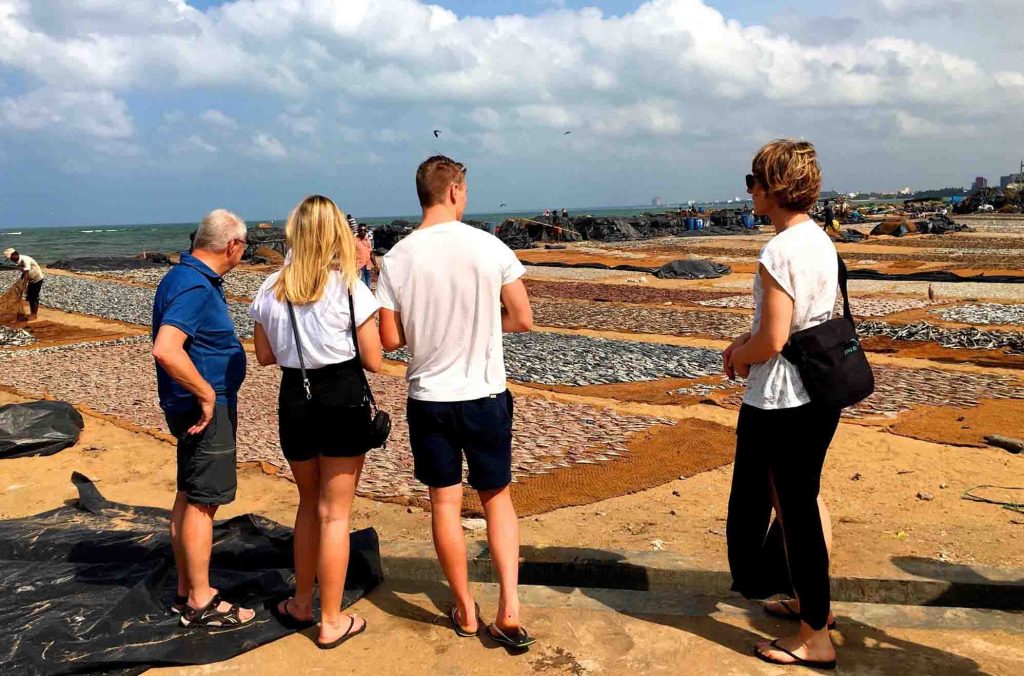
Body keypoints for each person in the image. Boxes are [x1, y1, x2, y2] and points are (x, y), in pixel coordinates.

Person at [376, 155, 536, 649]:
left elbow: (388, 339)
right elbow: (523, 318)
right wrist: (487, 326)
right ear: (453, 191)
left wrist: (426, 332)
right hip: (485, 394)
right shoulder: (490, 247)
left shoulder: (398, 257)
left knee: (444, 502)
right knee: (497, 499)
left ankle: (465, 608)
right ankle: (509, 608)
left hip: (429, 397)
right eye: (465, 191)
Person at [724, 139, 841, 670]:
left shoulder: (780, 250)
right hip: (819, 394)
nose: (748, 191)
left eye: (752, 181)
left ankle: (814, 637)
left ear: (773, 188)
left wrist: (736, 355)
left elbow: (772, 338)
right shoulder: (820, 240)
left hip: (782, 400)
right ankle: (813, 606)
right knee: (803, 501)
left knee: (789, 513)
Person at [250, 195, 381, 649]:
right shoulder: (350, 287)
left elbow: (265, 356)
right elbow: (375, 360)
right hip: (341, 395)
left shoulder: (270, 288)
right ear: (335, 236)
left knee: (308, 505)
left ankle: (302, 602)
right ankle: (331, 619)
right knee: (335, 513)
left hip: (295, 397)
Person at [151, 209, 254, 628]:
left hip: (188, 406)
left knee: (189, 494)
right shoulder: (194, 285)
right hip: (203, 409)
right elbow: (166, 347)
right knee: (202, 503)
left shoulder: (182, 276)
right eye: (244, 246)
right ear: (232, 245)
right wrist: (207, 393)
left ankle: (185, 587)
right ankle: (199, 599)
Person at [4, 249, 45, 320]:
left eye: (10, 257)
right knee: (30, 296)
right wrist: (20, 280)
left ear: (15, 254)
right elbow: (24, 273)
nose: (10, 259)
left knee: (34, 297)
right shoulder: (17, 262)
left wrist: (24, 285)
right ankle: (32, 312)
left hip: (37, 279)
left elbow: (26, 273)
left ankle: (34, 315)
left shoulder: (25, 259)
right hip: (30, 280)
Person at [355, 224, 377, 288]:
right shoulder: (354, 241)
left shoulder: (368, 240)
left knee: (368, 286)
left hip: (368, 267)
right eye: (361, 230)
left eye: (364, 230)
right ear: (358, 231)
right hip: (359, 267)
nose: (363, 232)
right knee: (363, 287)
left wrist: (375, 265)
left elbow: (371, 254)